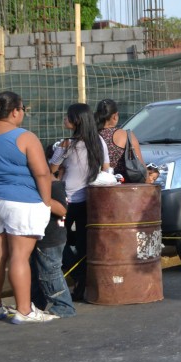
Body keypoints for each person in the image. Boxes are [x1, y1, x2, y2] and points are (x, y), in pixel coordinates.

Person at [0, 91, 67, 324]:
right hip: (21, 201)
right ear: (16, 111)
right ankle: (24, 310)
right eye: (23, 110)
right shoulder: (25, 137)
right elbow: (42, 172)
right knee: (19, 256)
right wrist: (47, 201)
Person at [50, 103, 110, 303]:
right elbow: (107, 169)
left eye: (68, 117)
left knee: (60, 240)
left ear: (77, 120)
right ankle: (81, 281)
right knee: (84, 243)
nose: (64, 120)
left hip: (65, 201)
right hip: (89, 200)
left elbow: (52, 168)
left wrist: (61, 155)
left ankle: (76, 276)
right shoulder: (98, 141)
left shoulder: (68, 144)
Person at [29, 179, 74, 317]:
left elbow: (62, 210)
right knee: (37, 273)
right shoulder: (44, 184)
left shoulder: (53, 186)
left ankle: (63, 305)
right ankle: (36, 303)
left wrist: (41, 196)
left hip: (51, 238)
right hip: (42, 237)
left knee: (50, 273)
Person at [95, 99, 159, 183]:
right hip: (125, 189)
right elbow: (141, 167)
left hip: (96, 188)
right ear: (115, 116)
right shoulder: (126, 135)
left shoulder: (91, 136)